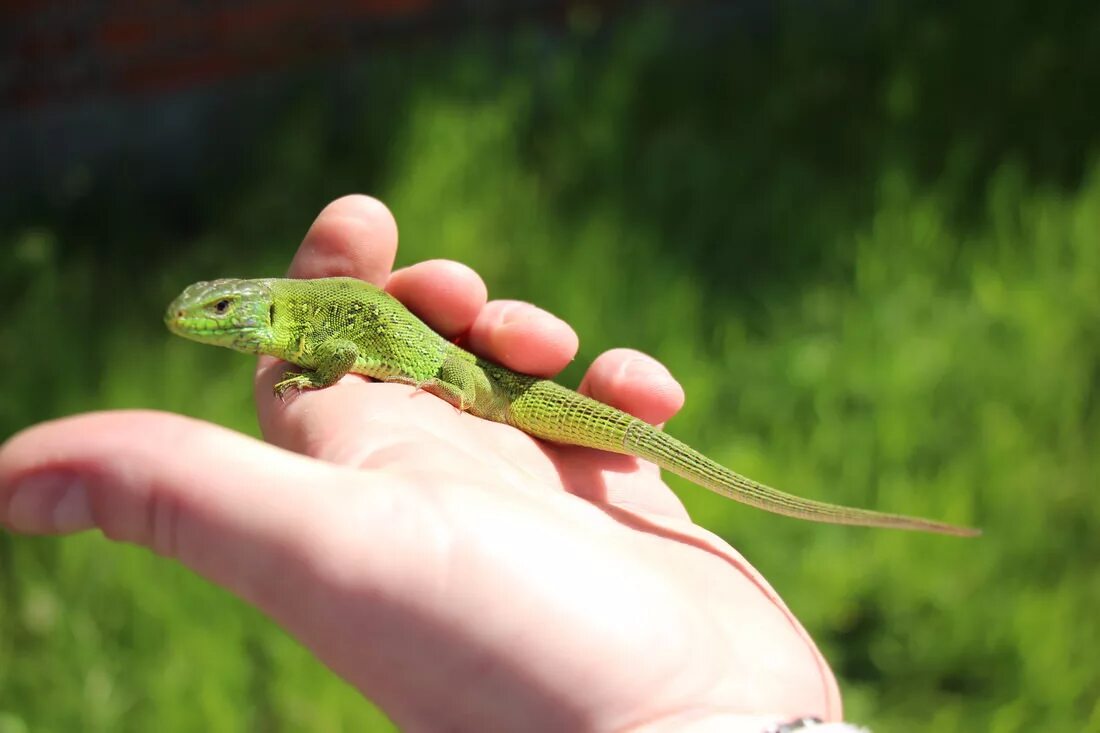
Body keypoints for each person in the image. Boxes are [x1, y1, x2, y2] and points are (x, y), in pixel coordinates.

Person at [0, 196, 851, 731]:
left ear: (256, 309)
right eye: (208, 310)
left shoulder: (303, 326)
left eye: (225, 311)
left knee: (554, 387)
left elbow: (336, 349)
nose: (209, 321)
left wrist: (314, 375)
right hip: (471, 388)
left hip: (474, 387)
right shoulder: (291, 314)